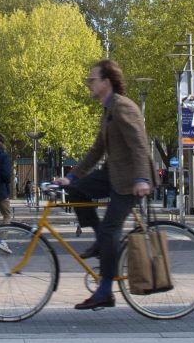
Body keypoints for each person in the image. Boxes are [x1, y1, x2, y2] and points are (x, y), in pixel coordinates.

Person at [63, 59, 154, 311]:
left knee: (109, 231)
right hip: (113, 173)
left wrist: (142, 179)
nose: (88, 84)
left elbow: (139, 145)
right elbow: (97, 150)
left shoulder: (123, 107)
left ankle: (105, 292)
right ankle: (100, 241)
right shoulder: (108, 109)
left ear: (106, 82)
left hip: (129, 181)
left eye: (91, 80)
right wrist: (71, 177)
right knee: (76, 189)